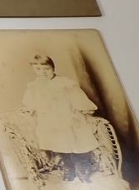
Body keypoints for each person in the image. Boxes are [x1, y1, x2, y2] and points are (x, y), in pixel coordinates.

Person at [22, 55, 99, 183]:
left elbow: (77, 97)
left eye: (46, 68)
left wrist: (83, 108)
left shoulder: (64, 83)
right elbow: (31, 101)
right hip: (50, 121)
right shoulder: (35, 86)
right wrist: (30, 108)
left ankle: (81, 170)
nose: (43, 72)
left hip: (68, 118)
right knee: (59, 145)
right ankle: (69, 168)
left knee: (76, 144)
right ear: (34, 70)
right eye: (38, 69)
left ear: (53, 67)